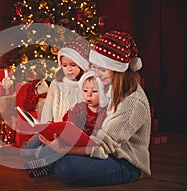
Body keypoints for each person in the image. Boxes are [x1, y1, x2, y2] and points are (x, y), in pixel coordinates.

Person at [38, 30, 151, 186]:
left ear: (118, 70)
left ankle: (53, 163)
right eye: (95, 67)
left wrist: (65, 149)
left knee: (67, 167)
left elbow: (104, 146)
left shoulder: (132, 103)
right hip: (100, 148)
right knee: (47, 146)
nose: (96, 74)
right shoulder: (107, 84)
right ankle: (52, 161)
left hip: (125, 161)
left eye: (102, 69)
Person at [19, 39, 91, 173]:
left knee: (42, 153)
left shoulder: (87, 84)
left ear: (81, 64)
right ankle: (29, 148)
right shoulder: (57, 83)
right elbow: (48, 106)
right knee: (26, 150)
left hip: (70, 132)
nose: (68, 69)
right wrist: (45, 126)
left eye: (73, 65)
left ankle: (42, 161)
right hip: (54, 127)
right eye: (64, 65)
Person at [23, 71, 108, 178]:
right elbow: (70, 116)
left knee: (61, 150)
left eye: (94, 91)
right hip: (74, 138)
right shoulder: (80, 107)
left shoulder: (104, 112)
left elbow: (100, 132)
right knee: (55, 142)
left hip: (86, 145)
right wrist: (70, 124)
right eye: (85, 91)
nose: (89, 94)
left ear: (103, 93)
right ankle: (41, 163)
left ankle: (45, 167)